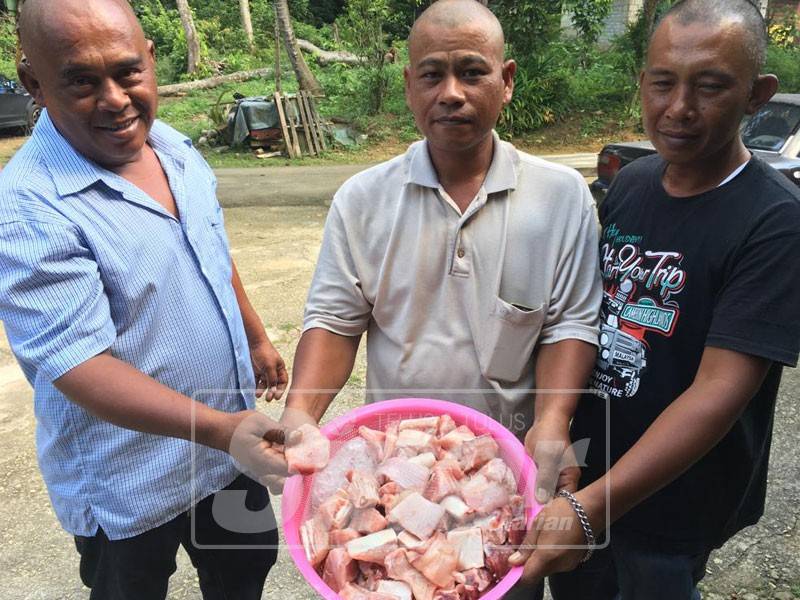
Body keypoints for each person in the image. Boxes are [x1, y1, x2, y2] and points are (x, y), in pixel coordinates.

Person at [272, 0, 602, 586]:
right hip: (396, 466)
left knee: (491, 580)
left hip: (506, 471)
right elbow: (335, 321)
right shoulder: (363, 199)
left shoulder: (561, 197)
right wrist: (299, 417)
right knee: (398, 579)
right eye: (432, 74)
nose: (451, 92)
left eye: (472, 71)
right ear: (408, 86)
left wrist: (552, 421)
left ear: (506, 81)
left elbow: (570, 324)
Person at [0, 1, 291, 598]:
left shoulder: (173, 145)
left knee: (245, 567)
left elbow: (209, 245)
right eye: (81, 80)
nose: (114, 99)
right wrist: (221, 430)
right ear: (34, 82)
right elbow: (80, 368)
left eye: (127, 72)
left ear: (151, 62)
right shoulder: (29, 206)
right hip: (128, 478)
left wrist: (255, 334)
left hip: (225, 453)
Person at [509, 1, 800, 599]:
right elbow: (586, 316)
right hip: (583, 475)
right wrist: (556, 425)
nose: (680, 108)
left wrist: (596, 506)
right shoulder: (633, 184)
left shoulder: (774, 221)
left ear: (757, 94)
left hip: (675, 497)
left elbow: (719, 391)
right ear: (643, 82)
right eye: (663, 82)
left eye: (712, 86)